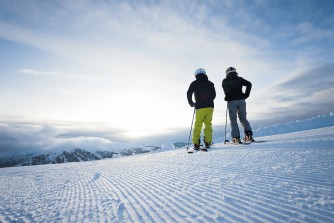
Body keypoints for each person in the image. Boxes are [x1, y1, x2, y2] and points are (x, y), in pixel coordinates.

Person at [222, 67, 254, 144]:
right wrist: (246, 95)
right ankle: (248, 135)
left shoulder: (225, 80)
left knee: (233, 120)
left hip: (232, 101)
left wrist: (227, 97)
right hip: (241, 100)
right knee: (243, 118)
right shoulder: (240, 79)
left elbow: (226, 92)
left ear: (227, 73)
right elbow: (249, 84)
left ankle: (236, 138)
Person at [187, 68, 216, 150]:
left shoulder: (194, 83)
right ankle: (208, 142)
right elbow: (214, 95)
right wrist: (209, 100)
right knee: (208, 124)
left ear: (196, 75)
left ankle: (196, 143)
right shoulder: (211, 83)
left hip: (200, 107)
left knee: (198, 125)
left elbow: (189, 93)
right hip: (210, 106)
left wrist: (191, 103)